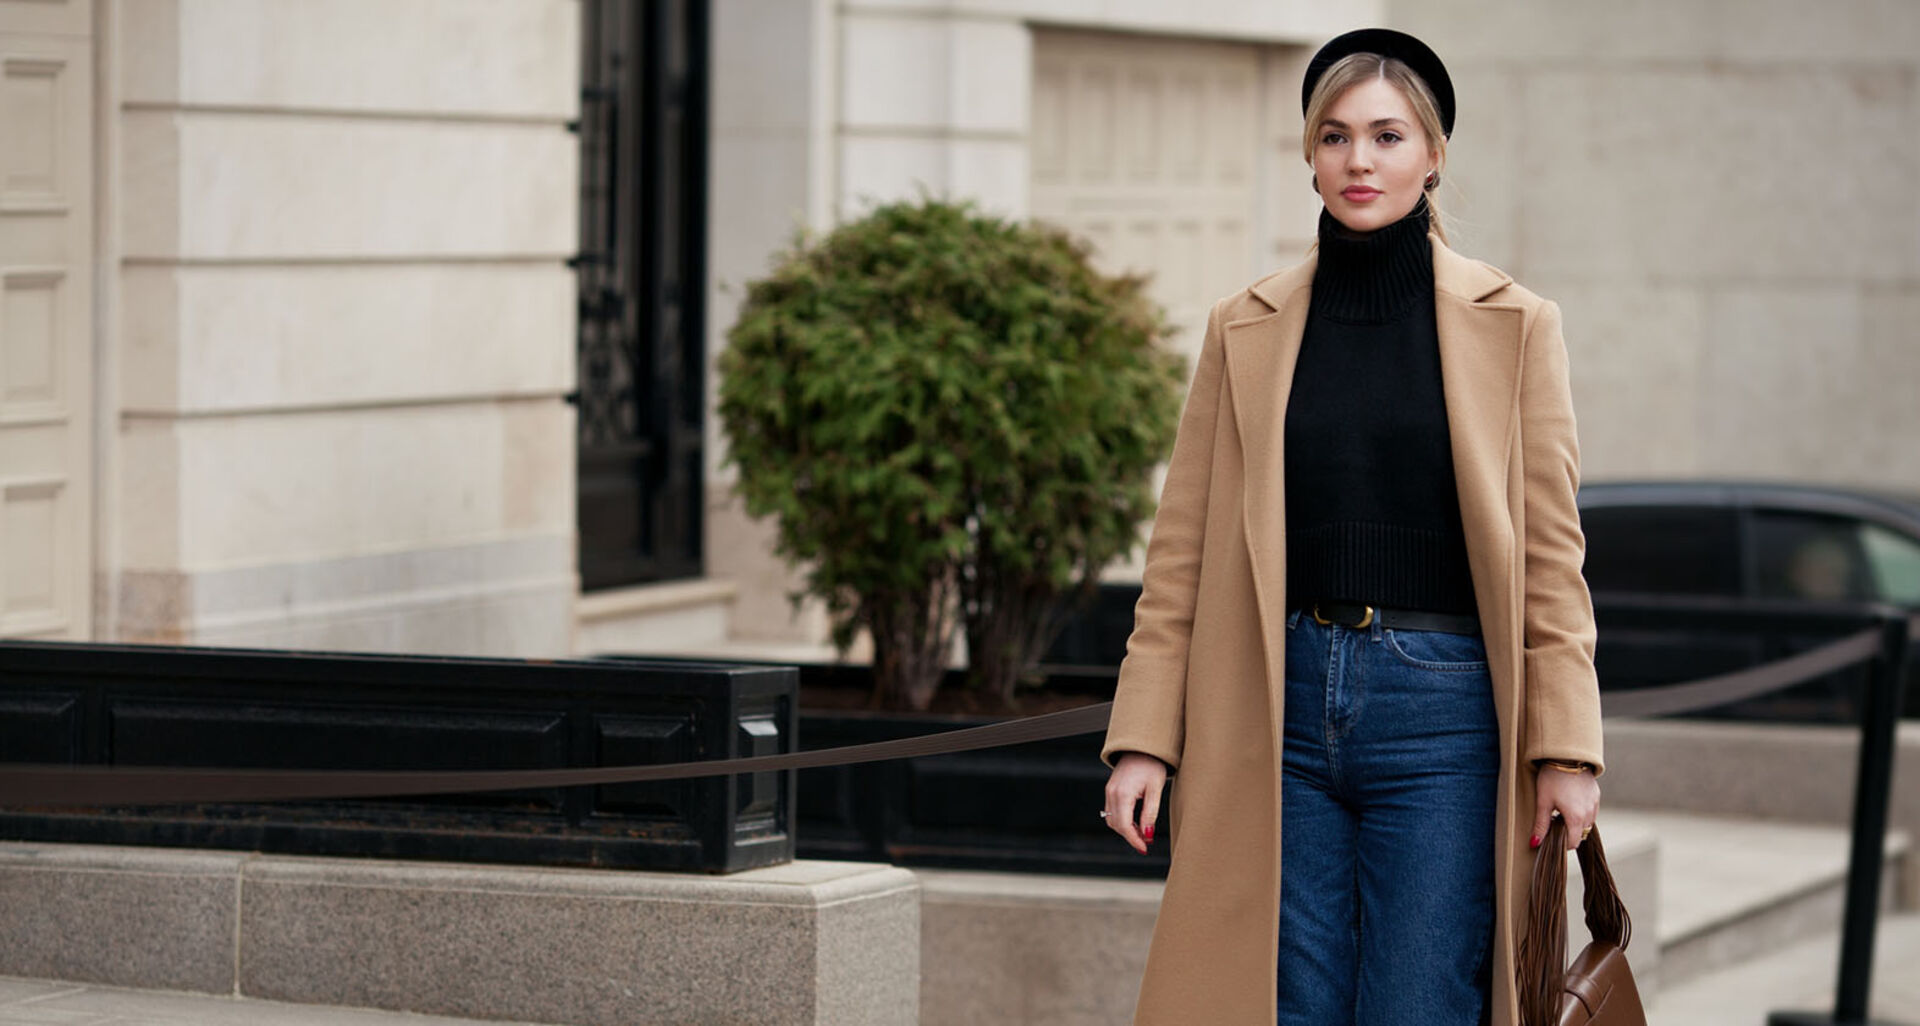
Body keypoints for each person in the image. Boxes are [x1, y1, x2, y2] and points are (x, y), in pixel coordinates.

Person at [1097, 27, 1605, 1026]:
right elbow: (1183, 555)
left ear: (1434, 154)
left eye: (1386, 135)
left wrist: (1569, 750)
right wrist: (1144, 740)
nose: (1358, 160)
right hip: (1274, 701)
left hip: (1444, 713)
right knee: (1290, 1003)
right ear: (1308, 155)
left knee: (1419, 1003)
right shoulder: (1244, 324)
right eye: (1335, 137)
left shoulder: (1516, 322)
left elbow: (1552, 557)